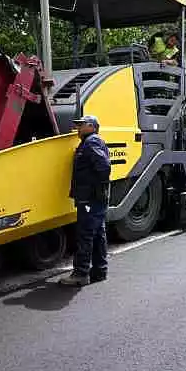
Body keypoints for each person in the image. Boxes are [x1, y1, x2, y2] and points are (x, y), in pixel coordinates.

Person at [60, 115, 111, 287]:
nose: (77, 128)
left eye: (81, 125)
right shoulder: (91, 142)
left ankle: (81, 274)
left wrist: (93, 190)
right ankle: (99, 271)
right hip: (95, 198)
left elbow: (104, 168)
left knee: (85, 234)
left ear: (92, 126)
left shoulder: (91, 142)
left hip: (90, 199)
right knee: (97, 234)